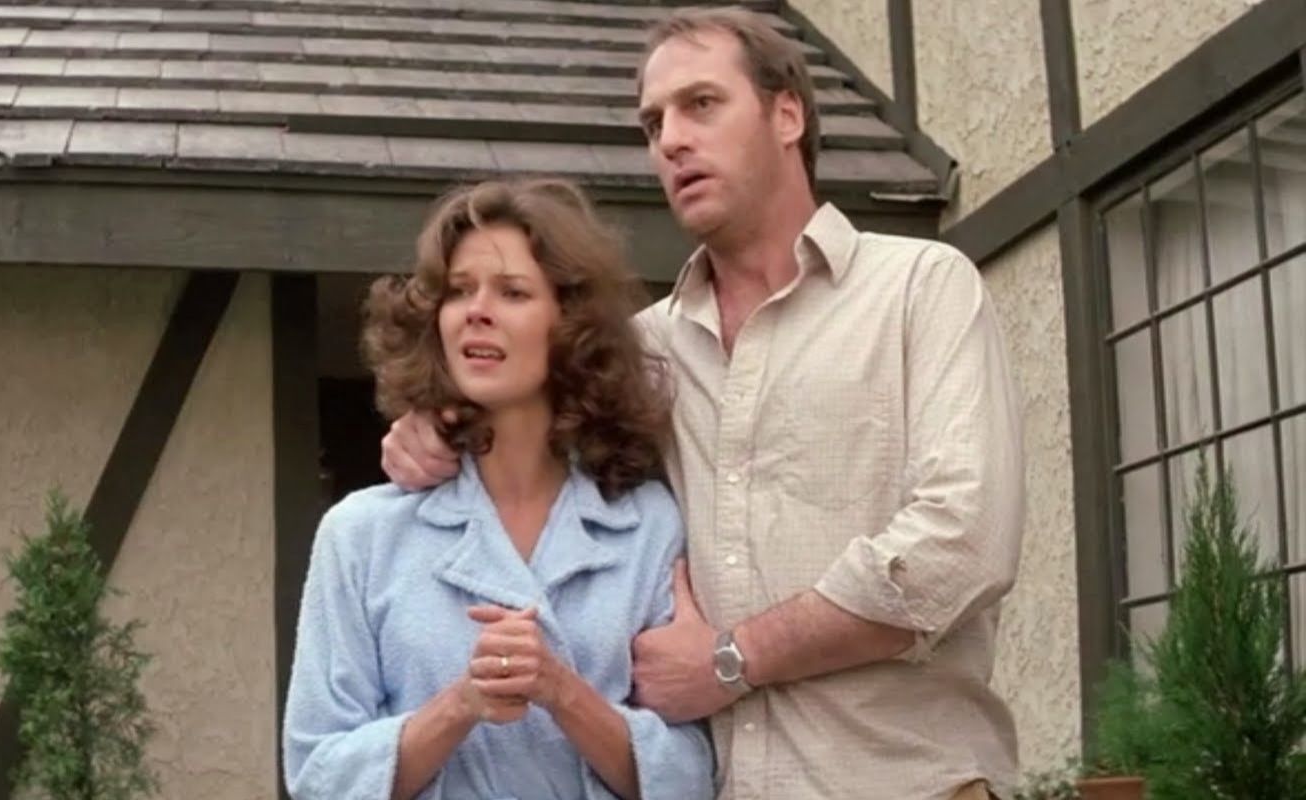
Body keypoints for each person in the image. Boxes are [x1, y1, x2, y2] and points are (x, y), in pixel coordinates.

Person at [380, 7, 1026, 800]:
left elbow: (960, 547)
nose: (671, 141)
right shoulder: (642, 353)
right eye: (654, 124)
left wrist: (731, 660)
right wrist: (431, 426)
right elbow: (520, 436)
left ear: (787, 113)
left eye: (701, 105)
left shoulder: (920, 288)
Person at [282, 178, 714, 800]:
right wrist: (461, 704)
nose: (477, 310)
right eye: (459, 291)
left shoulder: (647, 526)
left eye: (512, 292)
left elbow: (691, 776)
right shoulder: (360, 535)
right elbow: (318, 777)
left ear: (570, 326)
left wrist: (559, 690)